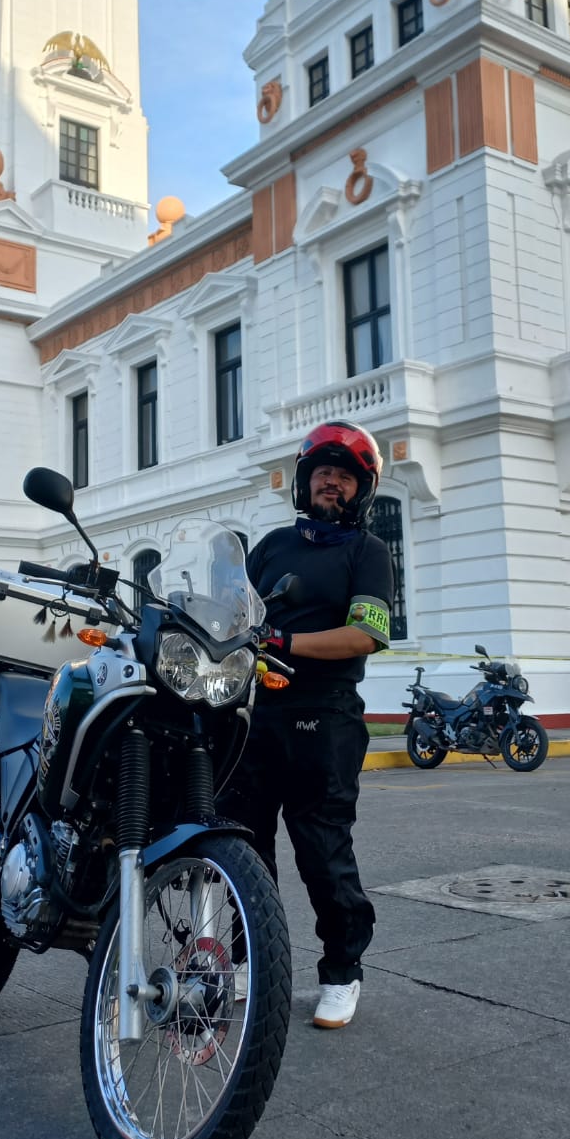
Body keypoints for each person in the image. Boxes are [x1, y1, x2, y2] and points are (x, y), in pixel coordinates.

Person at [223, 420, 394, 1030]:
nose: (332, 483)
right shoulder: (272, 546)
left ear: (360, 489)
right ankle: (246, 962)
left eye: (344, 476)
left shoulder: (367, 552)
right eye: (323, 472)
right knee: (242, 848)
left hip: (325, 718)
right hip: (252, 714)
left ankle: (342, 972)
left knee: (323, 851)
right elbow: (232, 611)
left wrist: (283, 641)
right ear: (305, 481)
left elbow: (366, 634)